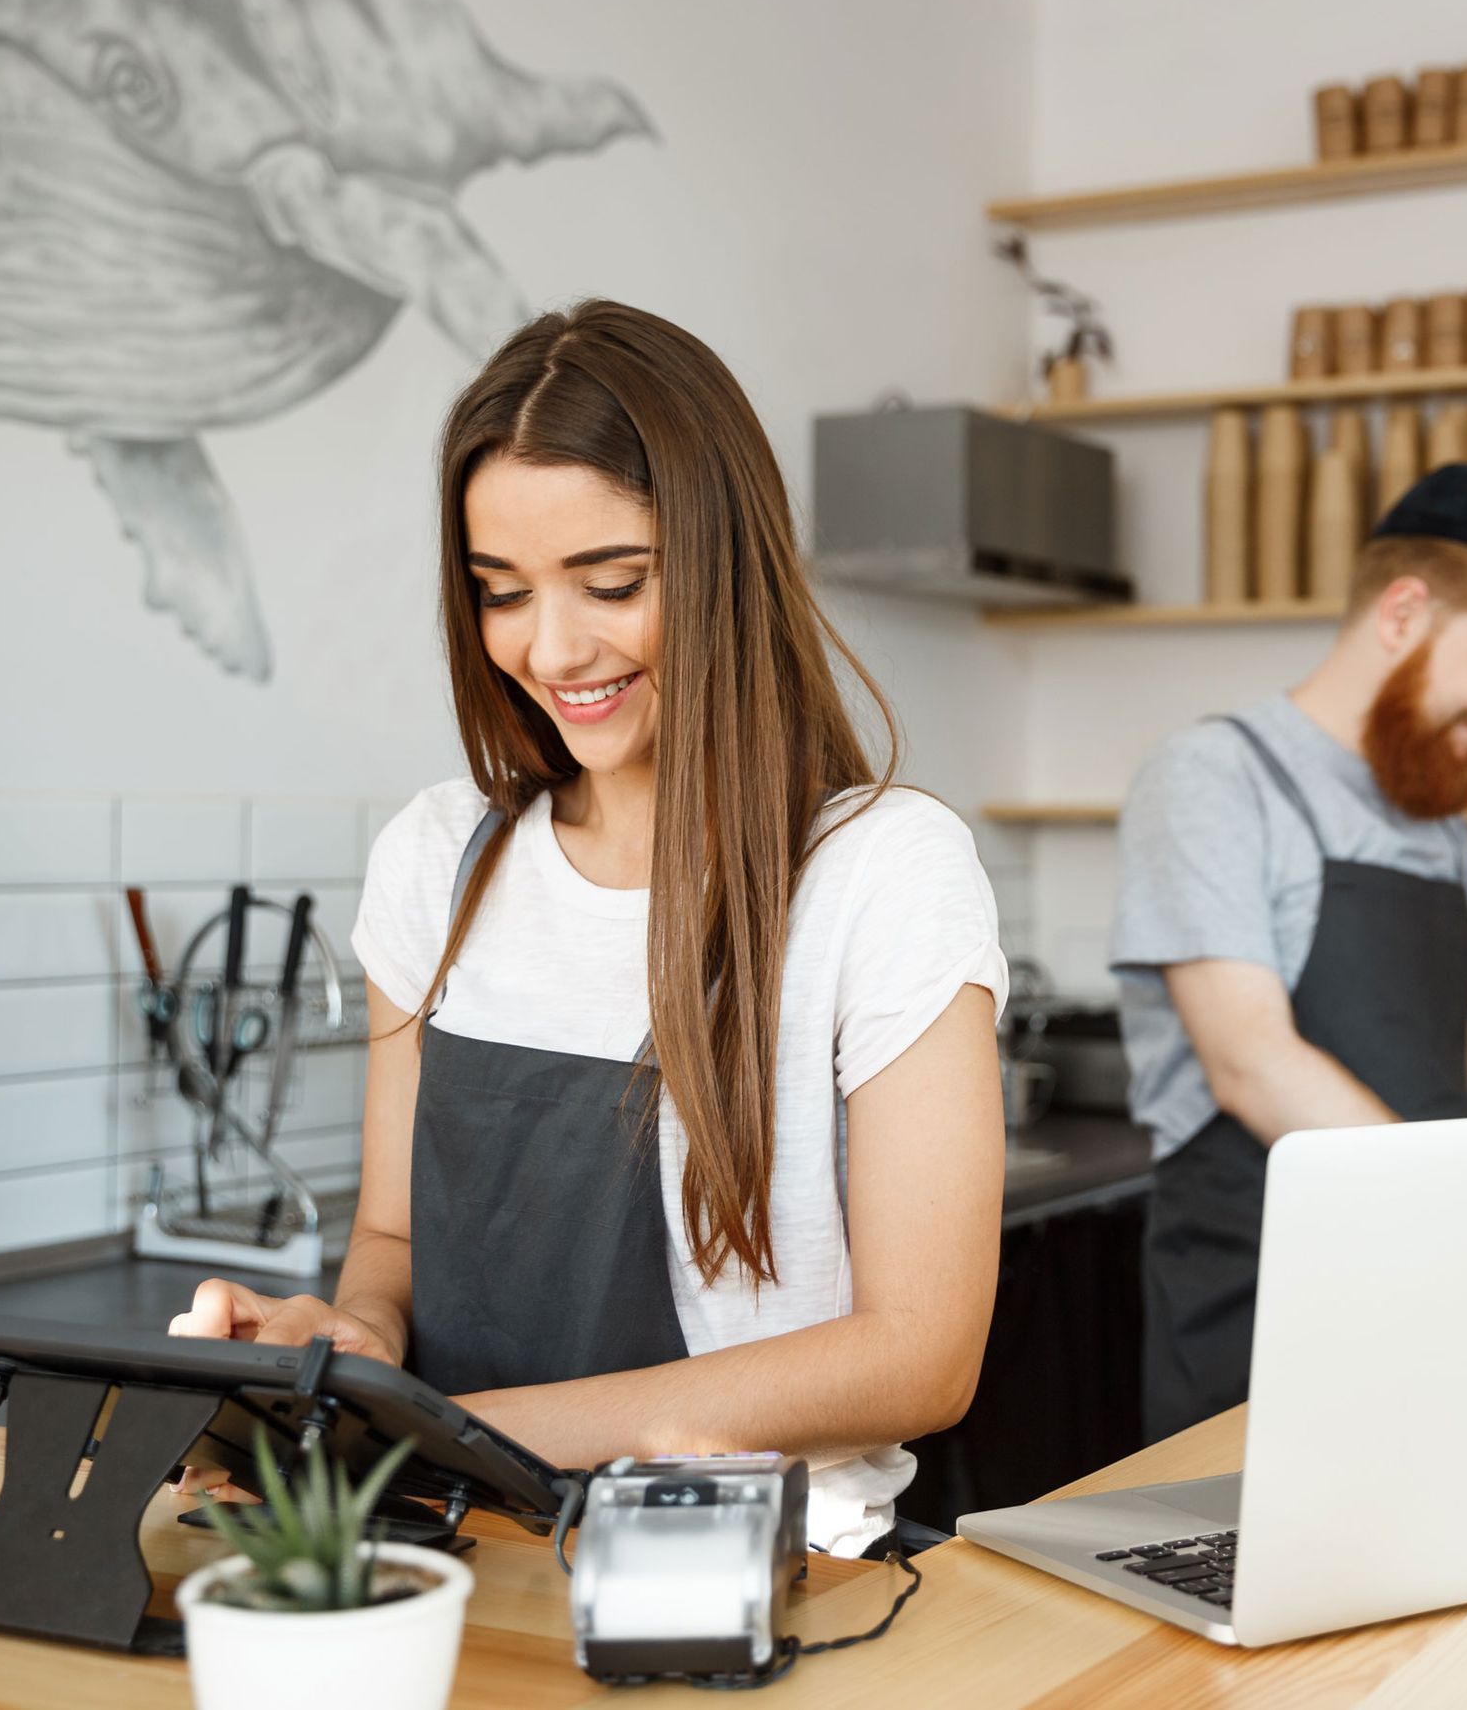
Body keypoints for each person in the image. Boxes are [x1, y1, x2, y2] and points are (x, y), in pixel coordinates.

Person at [170, 299, 1008, 1554]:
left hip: (746, 1571)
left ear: (725, 560)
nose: (551, 648)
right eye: (500, 592)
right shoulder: (436, 863)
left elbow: (920, 1355)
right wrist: (352, 1347)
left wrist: (431, 1424)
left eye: (611, 582)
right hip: (446, 1546)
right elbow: (393, 1242)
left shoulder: (878, 872)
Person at [1112, 463, 1467, 1442]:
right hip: (1266, 1317)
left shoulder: (1427, 811)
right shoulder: (1215, 776)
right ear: (1404, 611)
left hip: (1428, 1297)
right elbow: (1252, 1064)